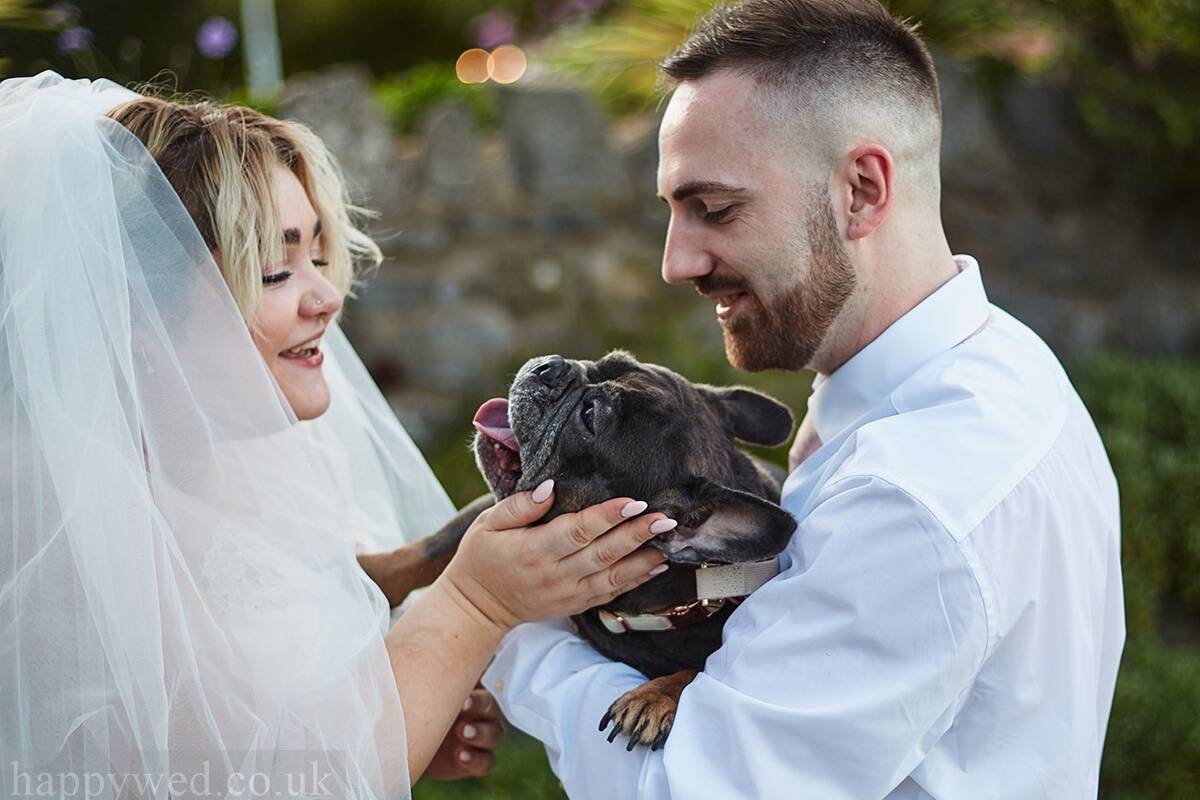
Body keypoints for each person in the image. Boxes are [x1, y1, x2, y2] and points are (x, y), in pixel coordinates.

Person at [481, 1, 1125, 797]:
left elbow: (683, 786)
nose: (675, 262)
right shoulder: (1002, 360)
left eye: (713, 209)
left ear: (860, 189)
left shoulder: (913, 501)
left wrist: (507, 625)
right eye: (672, 212)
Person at [0, 72, 669, 798]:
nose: (325, 296)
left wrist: (399, 707)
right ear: (138, 311)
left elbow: (284, 707)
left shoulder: (251, 458)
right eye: (276, 270)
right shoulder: (69, 523)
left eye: (318, 256)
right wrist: (476, 605)